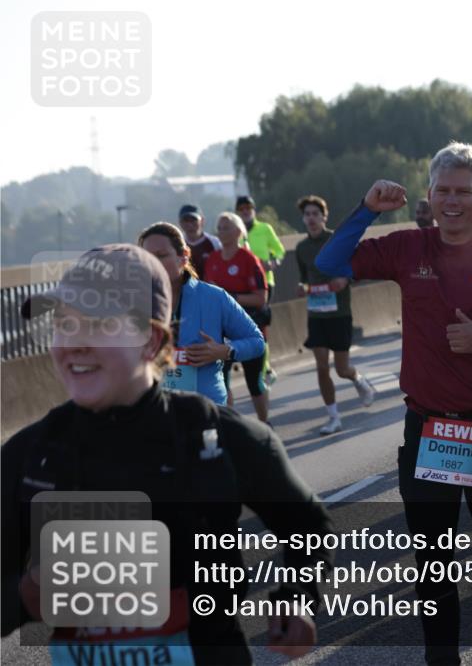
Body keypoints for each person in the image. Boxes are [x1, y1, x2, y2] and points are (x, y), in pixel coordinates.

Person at [4, 244, 335, 664]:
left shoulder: (217, 437)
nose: (75, 344)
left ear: (151, 339)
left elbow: (309, 527)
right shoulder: (29, 456)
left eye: (100, 325)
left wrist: (298, 597)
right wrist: (24, 596)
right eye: (64, 324)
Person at [315, 142, 472, 665]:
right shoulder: (408, 247)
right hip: (429, 430)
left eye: (462, 192)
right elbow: (327, 261)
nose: (452, 201)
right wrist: (366, 209)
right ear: (428, 194)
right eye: (442, 190)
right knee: (432, 559)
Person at [137, 223, 264, 407]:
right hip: (153, 411)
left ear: (184, 256)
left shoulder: (214, 297)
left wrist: (224, 351)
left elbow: (256, 342)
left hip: (205, 410)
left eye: (162, 256)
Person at [294, 195, 376, 435]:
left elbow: (355, 268)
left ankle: (358, 379)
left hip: (339, 313)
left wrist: (345, 279)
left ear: (324, 217)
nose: (311, 219)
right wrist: (302, 288)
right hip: (316, 313)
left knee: (341, 369)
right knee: (321, 366)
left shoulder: (335, 240)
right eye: (307, 215)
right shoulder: (301, 248)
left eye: (315, 214)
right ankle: (333, 417)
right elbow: (303, 278)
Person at [202, 213, 271, 422]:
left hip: (248, 328)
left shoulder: (249, 259)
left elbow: (261, 298)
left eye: (226, 227)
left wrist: (230, 298)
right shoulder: (213, 260)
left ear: (239, 232)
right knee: (221, 382)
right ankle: (229, 427)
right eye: (219, 228)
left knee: (254, 381)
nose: (221, 232)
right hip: (221, 330)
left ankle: (265, 423)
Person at [235, 195, 284, 384]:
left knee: (259, 326)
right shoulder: (235, 232)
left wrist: (273, 262)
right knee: (247, 327)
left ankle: (266, 368)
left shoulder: (265, 229)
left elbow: (279, 250)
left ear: (254, 210)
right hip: (242, 287)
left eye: (248, 207)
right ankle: (256, 364)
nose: (245, 211)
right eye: (241, 208)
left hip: (264, 284)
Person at [178, 204, 221, 278]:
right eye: (186, 220)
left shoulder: (215, 243)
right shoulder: (177, 243)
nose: (190, 224)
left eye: (193, 220)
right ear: (180, 223)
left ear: (202, 220)